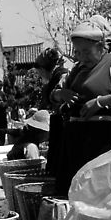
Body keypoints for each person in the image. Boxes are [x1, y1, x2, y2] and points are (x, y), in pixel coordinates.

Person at [52, 15, 111, 194]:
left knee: (101, 193)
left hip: (102, 138)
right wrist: (61, 94)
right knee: (74, 193)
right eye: (78, 52)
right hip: (74, 139)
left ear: (101, 46)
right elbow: (53, 95)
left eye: (86, 51)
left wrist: (101, 101)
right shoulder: (76, 69)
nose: (81, 57)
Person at [34, 47, 69, 176]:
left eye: (39, 72)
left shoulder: (62, 76)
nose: (39, 76)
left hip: (64, 125)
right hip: (58, 122)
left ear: (43, 69)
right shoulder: (55, 77)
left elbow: (63, 100)